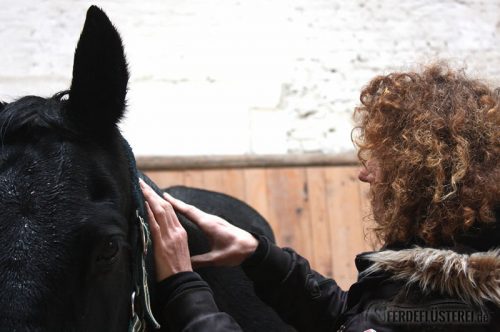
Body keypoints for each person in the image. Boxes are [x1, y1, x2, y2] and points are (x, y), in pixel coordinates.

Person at [140, 64, 500, 331]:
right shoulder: (442, 288)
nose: (365, 173)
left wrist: (181, 286)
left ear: (423, 175)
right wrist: (260, 255)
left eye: (381, 159)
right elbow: (353, 321)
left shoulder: (452, 312)